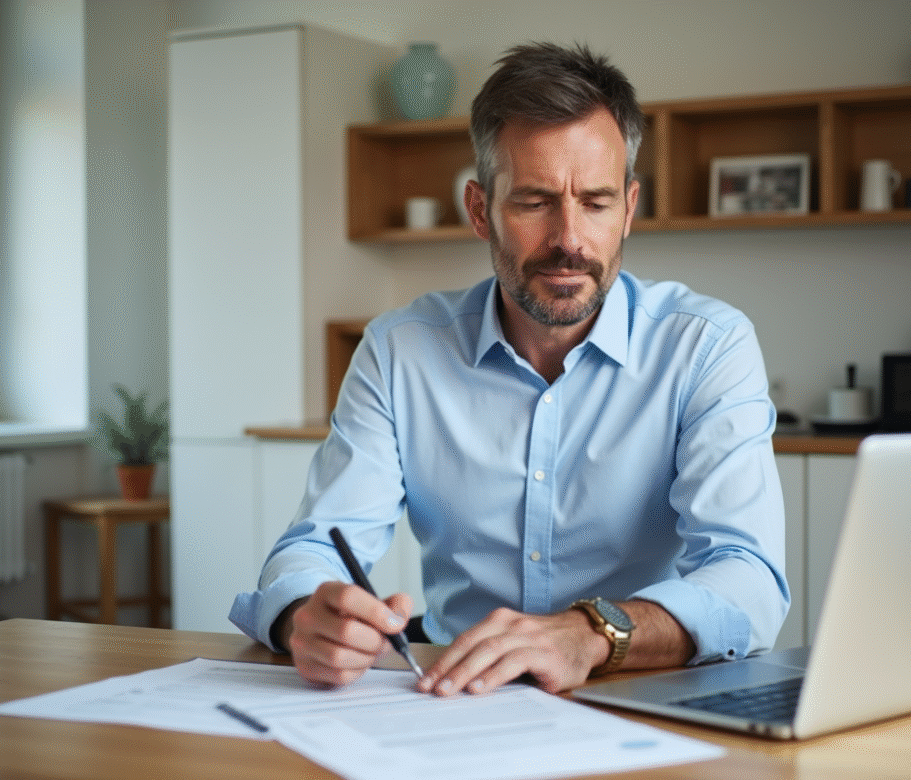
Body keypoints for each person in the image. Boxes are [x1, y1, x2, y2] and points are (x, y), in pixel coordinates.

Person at [229, 42, 788, 697]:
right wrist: (306, 615)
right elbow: (315, 548)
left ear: (630, 209)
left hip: (644, 697)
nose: (570, 239)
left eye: (598, 202)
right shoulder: (398, 351)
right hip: (454, 698)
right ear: (479, 209)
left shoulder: (707, 347)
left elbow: (747, 577)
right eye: (533, 201)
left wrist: (590, 634)